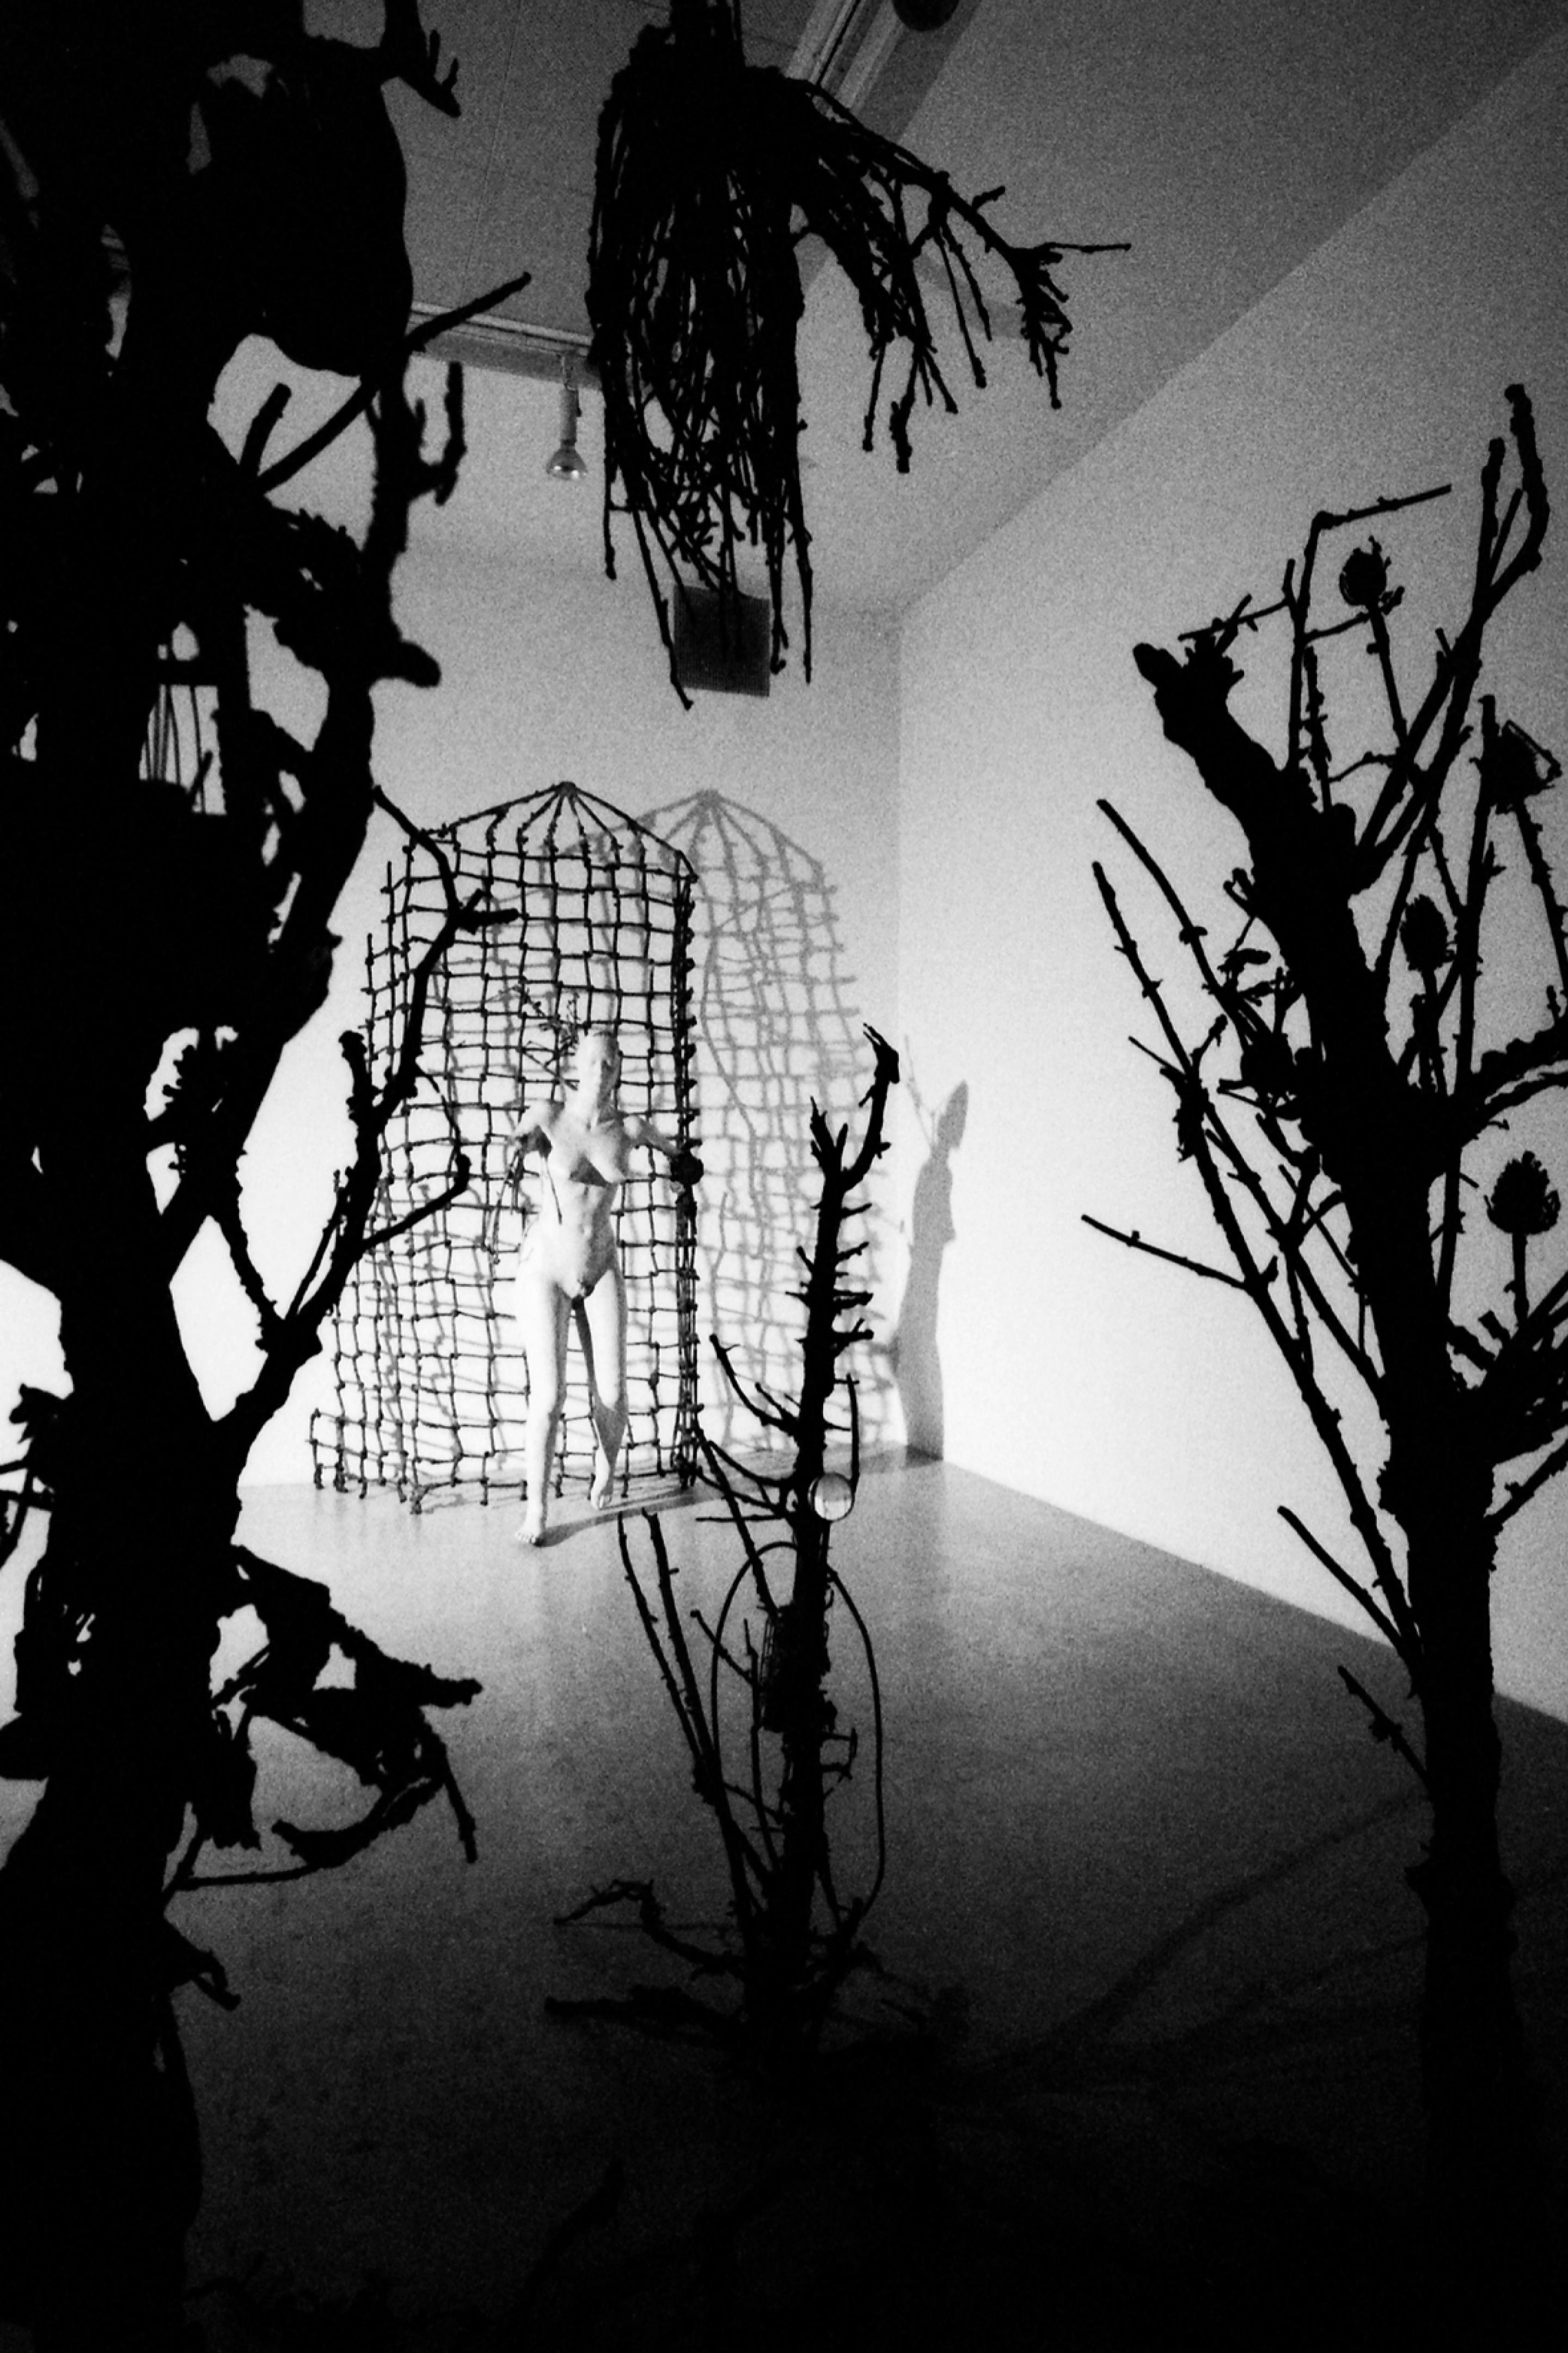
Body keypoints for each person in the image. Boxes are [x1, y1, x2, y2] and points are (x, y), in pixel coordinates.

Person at [494, 1026, 700, 1544]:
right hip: (548, 1266)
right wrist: (517, 1147)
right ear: (576, 1064)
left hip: (601, 1263)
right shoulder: (550, 1115)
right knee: (549, 1395)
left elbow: (677, 1156)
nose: (600, 1071)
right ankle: (537, 1510)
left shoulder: (629, 1128)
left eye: (610, 1063)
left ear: (619, 1068)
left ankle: (605, 1464)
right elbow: (517, 1141)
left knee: (611, 1390)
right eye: (592, 1061)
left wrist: (683, 1169)